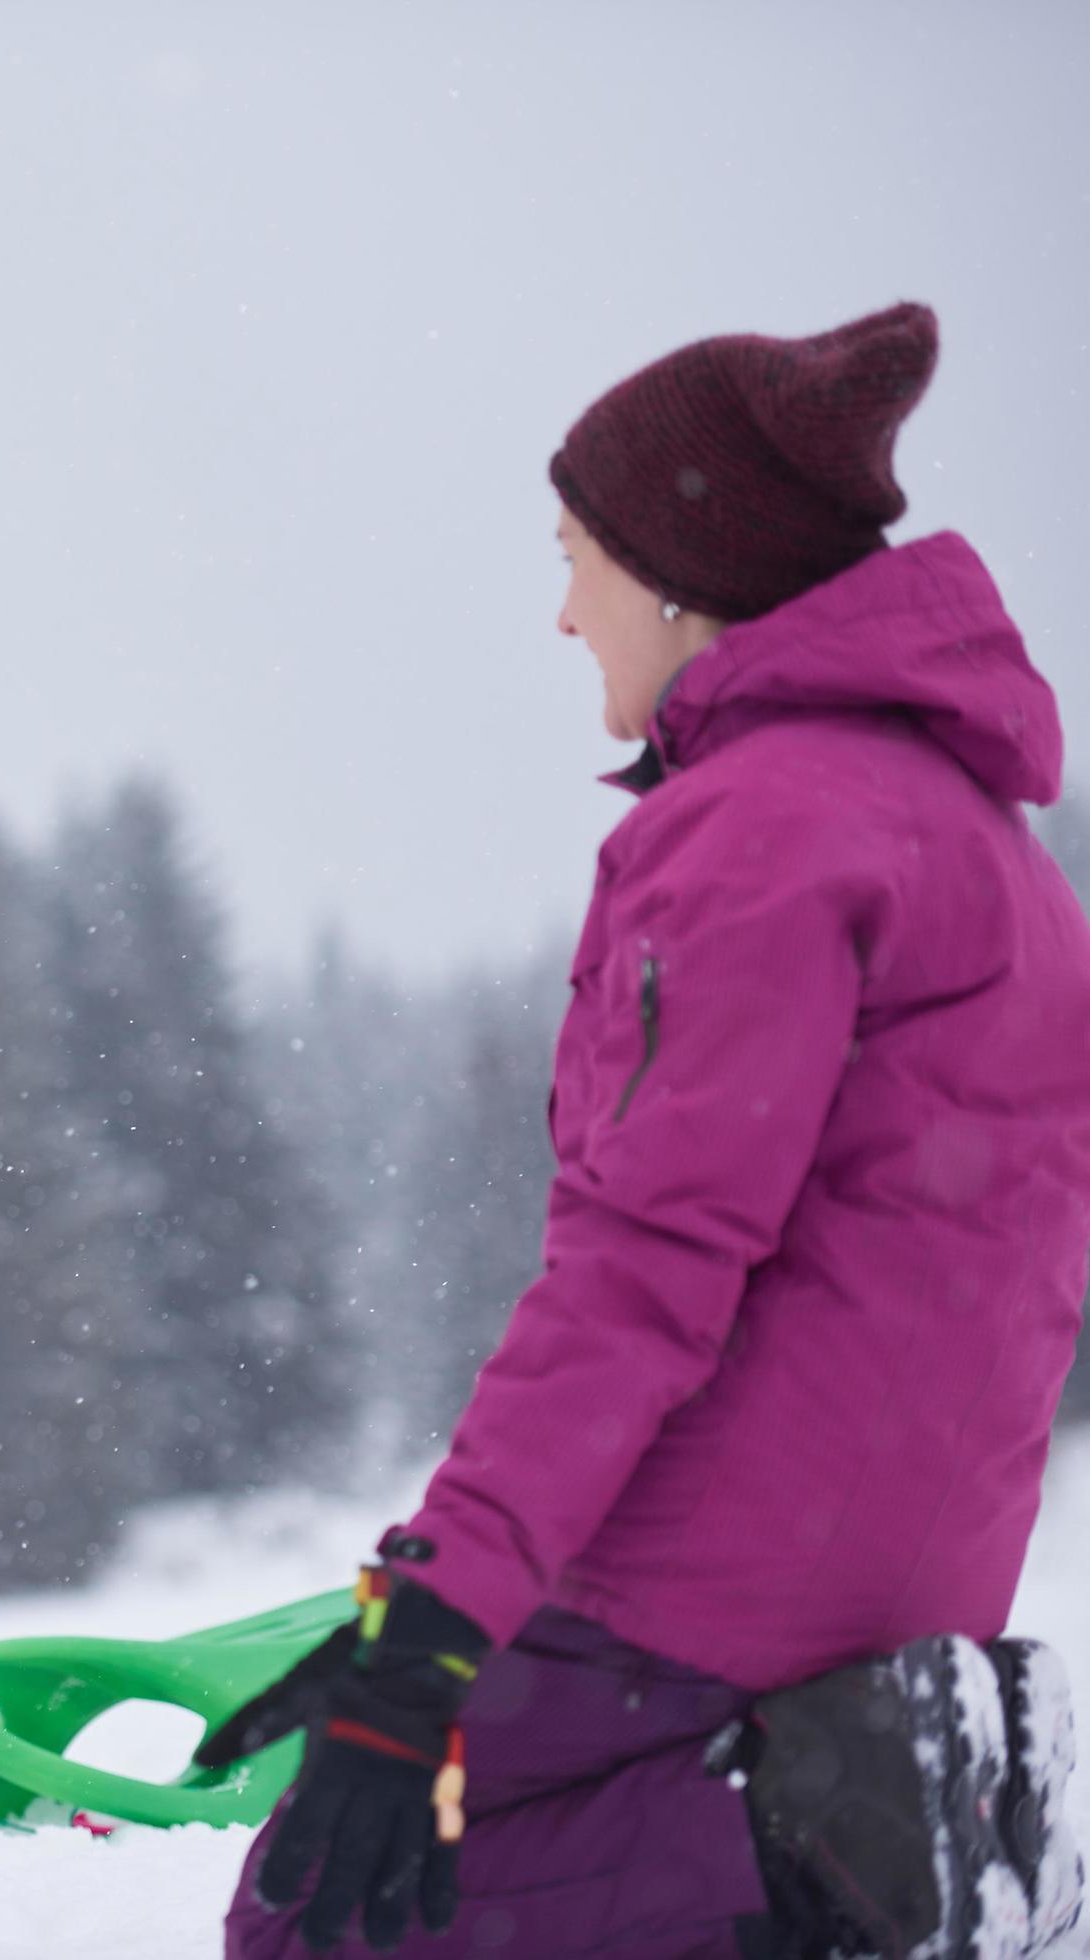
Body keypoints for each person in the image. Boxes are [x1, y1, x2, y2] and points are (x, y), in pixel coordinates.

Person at [206, 302, 1090, 1959]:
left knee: (315, 1909)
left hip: (716, 1583)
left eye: (576, 556)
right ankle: (876, 1808)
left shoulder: (756, 830)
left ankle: (834, 1831)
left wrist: (434, 1621)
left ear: (683, 569)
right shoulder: (985, 846)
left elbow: (642, 1270)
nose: (559, 612)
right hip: (916, 1570)